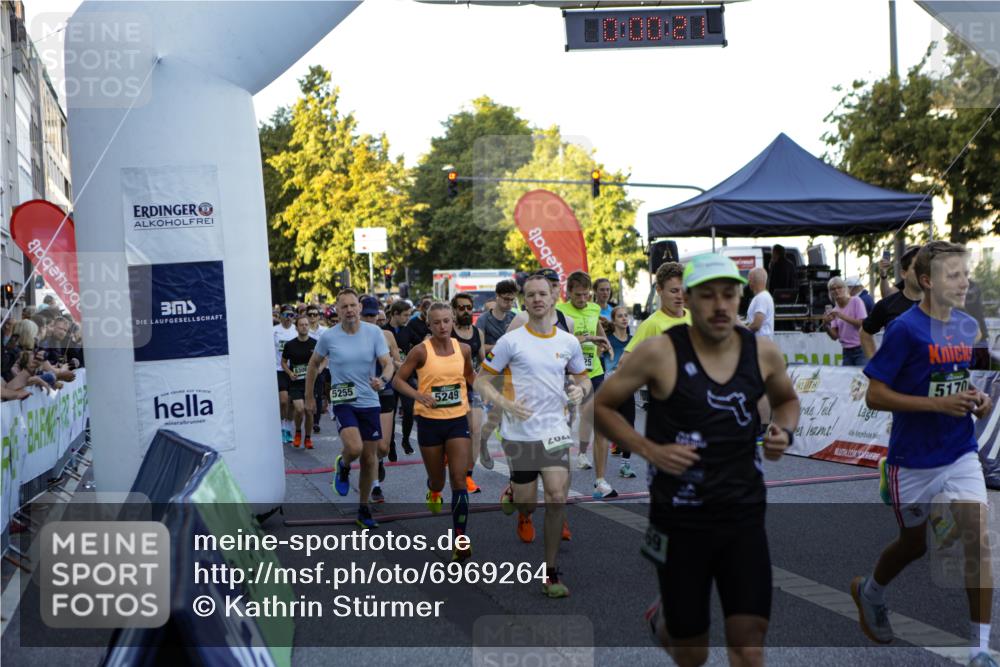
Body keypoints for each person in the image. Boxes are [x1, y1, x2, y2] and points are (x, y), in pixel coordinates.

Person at [594, 253, 800, 667]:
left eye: (729, 294)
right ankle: (664, 620)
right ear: (687, 299)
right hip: (679, 519)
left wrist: (783, 431)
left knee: (748, 645)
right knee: (693, 652)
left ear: (741, 297)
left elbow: (787, 401)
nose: (721, 305)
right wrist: (650, 449)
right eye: (708, 296)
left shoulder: (763, 353)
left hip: (743, 514)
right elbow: (602, 407)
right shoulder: (659, 352)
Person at [851, 241, 995, 667]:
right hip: (911, 461)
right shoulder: (905, 329)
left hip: (959, 450)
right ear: (928, 281)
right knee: (913, 546)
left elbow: (951, 381)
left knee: (979, 539)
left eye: (965, 273)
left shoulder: (967, 327)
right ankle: (870, 592)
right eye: (954, 274)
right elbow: (875, 396)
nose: (964, 281)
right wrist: (937, 405)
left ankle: (981, 650)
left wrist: (974, 399)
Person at [475, 274, 591, 597]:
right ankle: (515, 493)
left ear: (553, 298)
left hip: (554, 429)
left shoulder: (567, 342)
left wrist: (580, 391)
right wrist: (503, 402)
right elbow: (481, 380)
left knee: (556, 496)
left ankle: (550, 572)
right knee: (528, 506)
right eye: (531, 295)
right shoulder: (511, 342)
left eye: (543, 293)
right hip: (519, 433)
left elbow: (584, 379)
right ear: (524, 301)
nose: (538, 299)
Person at [394, 302, 477, 561]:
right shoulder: (420, 351)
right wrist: (419, 395)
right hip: (429, 422)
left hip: (456, 420)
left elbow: (470, 377)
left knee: (459, 479)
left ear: (453, 321)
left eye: (446, 321)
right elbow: (397, 380)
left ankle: (460, 539)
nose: (442, 326)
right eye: (437, 322)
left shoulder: (463, 349)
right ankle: (433, 489)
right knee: (439, 481)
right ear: (428, 325)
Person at [305, 289, 392, 529]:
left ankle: (363, 508)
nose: (350, 310)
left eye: (353, 305)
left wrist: (383, 380)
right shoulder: (329, 337)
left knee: (369, 458)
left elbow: (387, 363)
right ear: (337, 310)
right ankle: (343, 465)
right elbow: (313, 365)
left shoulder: (374, 332)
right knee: (354, 447)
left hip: (369, 401)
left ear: (360, 308)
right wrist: (310, 397)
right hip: (343, 401)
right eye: (344, 307)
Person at [556, 271, 616, 499]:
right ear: (568, 292)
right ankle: (559, 477)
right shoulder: (560, 311)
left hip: (595, 370)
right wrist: (590, 339)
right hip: (570, 373)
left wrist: (605, 342)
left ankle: (601, 480)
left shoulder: (593, 309)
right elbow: (563, 341)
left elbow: (597, 329)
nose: (582, 299)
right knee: (568, 422)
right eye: (578, 295)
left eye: (585, 295)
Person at [360, 295, 402, 503]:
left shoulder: (386, 335)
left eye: (373, 316)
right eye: (366, 316)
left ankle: (380, 460)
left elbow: (397, 361)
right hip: (361, 393)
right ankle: (375, 486)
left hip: (383, 389)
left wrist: (395, 364)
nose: (370, 320)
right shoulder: (351, 336)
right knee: (369, 443)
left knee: (383, 446)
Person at [474, 278, 519, 468]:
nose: (509, 303)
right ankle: (483, 442)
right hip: (491, 374)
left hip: (513, 374)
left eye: (512, 300)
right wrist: (502, 347)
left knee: (508, 418)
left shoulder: (515, 317)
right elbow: (480, 347)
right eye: (505, 299)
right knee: (498, 416)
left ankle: (515, 463)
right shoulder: (484, 319)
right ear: (497, 297)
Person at [451, 292, 486, 493]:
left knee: (476, 431)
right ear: (454, 310)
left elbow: (482, 360)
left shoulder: (477, 333)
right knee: (455, 435)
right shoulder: (448, 331)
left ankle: (468, 476)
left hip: (472, 388)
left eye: (468, 308)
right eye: (461, 308)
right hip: (451, 389)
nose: (466, 311)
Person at [861, 244, 922, 360]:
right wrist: (875, 365)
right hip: (897, 374)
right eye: (916, 268)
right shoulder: (889, 304)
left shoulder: (940, 304)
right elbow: (865, 332)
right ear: (904, 273)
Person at [602, 305, 637, 479]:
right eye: (620, 316)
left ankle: (625, 465)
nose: (624, 318)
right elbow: (599, 364)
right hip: (609, 389)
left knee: (629, 425)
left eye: (626, 316)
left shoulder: (634, 340)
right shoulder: (607, 340)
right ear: (614, 320)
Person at [385, 299, 415, 460]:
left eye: (409, 315)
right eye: (405, 315)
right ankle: (390, 444)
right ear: (395, 314)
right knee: (391, 412)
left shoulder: (408, 330)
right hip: (389, 376)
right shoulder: (383, 330)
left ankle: (405, 439)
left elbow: (419, 344)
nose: (407, 318)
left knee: (409, 410)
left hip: (406, 376)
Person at [281, 314, 317, 449]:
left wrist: (319, 369)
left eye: (306, 324)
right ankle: (297, 432)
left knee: (309, 411)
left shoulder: (315, 343)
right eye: (301, 325)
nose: (304, 327)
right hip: (296, 383)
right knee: (300, 409)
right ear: (296, 328)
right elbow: (283, 362)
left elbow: (324, 358)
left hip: (311, 383)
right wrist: (290, 373)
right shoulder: (290, 345)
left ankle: (307, 438)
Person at [823, 276, 868, 367]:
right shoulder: (835, 310)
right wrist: (826, 324)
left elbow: (863, 324)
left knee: (863, 379)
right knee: (848, 380)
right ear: (830, 293)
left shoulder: (856, 301)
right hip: (846, 351)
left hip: (861, 349)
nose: (836, 291)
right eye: (833, 289)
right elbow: (835, 336)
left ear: (845, 288)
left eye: (839, 287)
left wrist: (842, 316)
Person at [273, 305, 299, 445]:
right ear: (281, 315)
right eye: (286, 315)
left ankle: (288, 428)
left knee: (293, 403)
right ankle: (282, 427)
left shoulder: (296, 329)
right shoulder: (274, 331)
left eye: (291, 315)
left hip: (295, 370)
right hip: (279, 369)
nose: (289, 318)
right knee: (283, 401)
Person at [306, 305, 330, 434]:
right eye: (310, 314)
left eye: (315, 314)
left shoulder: (325, 331)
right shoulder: (302, 329)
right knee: (308, 393)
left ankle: (316, 421)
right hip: (305, 367)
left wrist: (321, 367)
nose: (313, 317)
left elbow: (328, 351)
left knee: (318, 394)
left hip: (321, 366)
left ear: (319, 316)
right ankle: (308, 417)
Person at [745, 267, 774, 339]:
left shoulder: (761, 298)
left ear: (753, 281)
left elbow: (756, 325)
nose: (748, 282)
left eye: (749, 279)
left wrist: (742, 331)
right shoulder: (763, 296)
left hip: (760, 344)